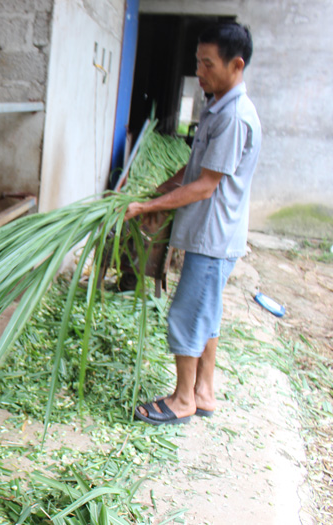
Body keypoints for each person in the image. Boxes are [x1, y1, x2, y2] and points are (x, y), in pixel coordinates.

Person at [124, 22, 261, 425]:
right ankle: (203, 391)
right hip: (212, 234)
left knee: (186, 315)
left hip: (212, 237)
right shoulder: (218, 106)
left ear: (236, 65)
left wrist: (149, 206)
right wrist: (159, 193)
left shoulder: (233, 116)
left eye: (207, 64)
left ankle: (182, 400)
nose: (198, 71)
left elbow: (205, 185)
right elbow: (195, 168)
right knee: (207, 315)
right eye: (197, 62)